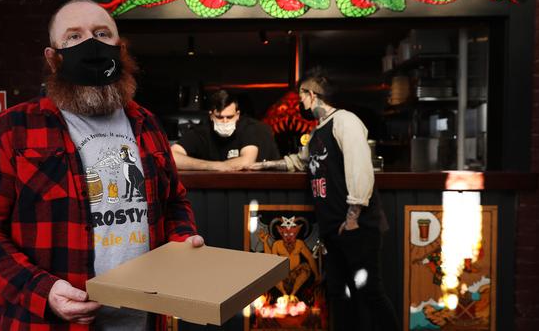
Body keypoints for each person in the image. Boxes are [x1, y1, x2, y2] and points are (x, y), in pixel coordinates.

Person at [0, 0, 204, 330]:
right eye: (73, 37)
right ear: (53, 58)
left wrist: (182, 242)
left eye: (102, 33)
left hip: (143, 321)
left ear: (121, 48)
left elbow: (175, 202)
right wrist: (43, 291)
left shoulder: (147, 124)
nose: (91, 44)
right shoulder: (8, 131)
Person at [250, 70, 399, 331]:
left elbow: (360, 169)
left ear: (311, 95)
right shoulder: (319, 129)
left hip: (356, 226)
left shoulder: (345, 121)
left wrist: (353, 217)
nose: (300, 104)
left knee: (369, 292)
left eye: (301, 97)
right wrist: (262, 166)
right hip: (334, 228)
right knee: (339, 295)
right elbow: (300, 161)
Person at [171, 89, 280, 171]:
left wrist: (224, 166)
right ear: (211, 116)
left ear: (237, 115)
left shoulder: (248, 128)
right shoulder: (202, 131)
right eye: (219, 117)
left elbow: (247, 161)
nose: (224, 121)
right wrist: (214, 166)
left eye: (229, 117)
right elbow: (172, 157)